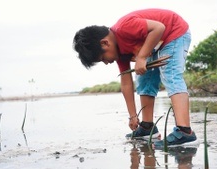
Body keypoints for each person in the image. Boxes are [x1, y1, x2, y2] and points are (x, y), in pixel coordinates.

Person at [73, 8, 197, 148]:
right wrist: (133, 116)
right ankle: (147, 126)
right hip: (153, 43)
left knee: (171, 75)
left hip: (174, 32)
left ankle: (185, 131)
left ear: (105, 43)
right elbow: (126, 83)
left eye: (103, 58)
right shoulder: (119, 52)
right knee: (144, 79)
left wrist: (142, 57)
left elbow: (159, 27)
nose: (107, 63)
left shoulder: (124, 27)